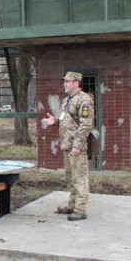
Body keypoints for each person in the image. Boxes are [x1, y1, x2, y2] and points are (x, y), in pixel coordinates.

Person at [41, 72, 94, 221]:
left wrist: (77, 145)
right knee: (70, 178)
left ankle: (80, 209)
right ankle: (71, 205)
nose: (64, 84)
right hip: (67, 145)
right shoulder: (67, 100)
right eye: (64, 81)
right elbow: (67, 120)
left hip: (76, 147)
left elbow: (85, 125)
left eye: (67, 81)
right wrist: (55, 121)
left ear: (76, 83)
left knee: (80, 177)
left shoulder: (84, 100)